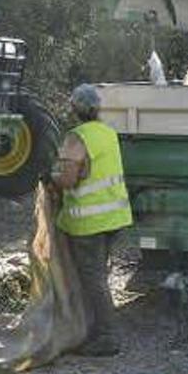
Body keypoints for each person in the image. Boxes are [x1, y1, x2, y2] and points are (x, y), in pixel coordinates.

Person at [51, 83, 133, 357]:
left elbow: (67, 179)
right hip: (115, 218)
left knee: (93, 279)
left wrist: (50, 177)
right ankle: (95, 327)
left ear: (74, 109)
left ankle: (107, 337)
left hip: (88, 223)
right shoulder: (107, 133)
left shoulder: (77, 138)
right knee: (99, 276)